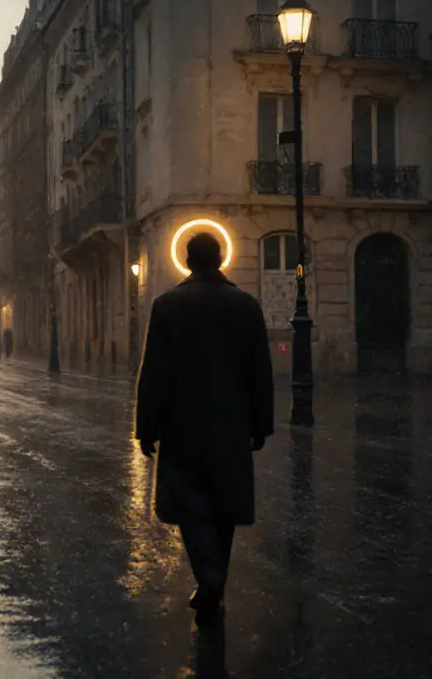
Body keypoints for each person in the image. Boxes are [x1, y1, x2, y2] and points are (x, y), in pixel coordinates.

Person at [133, 231, 275, 623]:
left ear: (187, 259)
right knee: (223, 508)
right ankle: (215, 582)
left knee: (192, 508)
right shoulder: (246, 306)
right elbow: (260, 371)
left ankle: (209, 578)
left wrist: (147, 426)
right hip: (231, 425)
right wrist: (261, 423)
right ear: (221, 259)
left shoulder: (168, 306)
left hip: (183, 426)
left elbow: (154, 372)